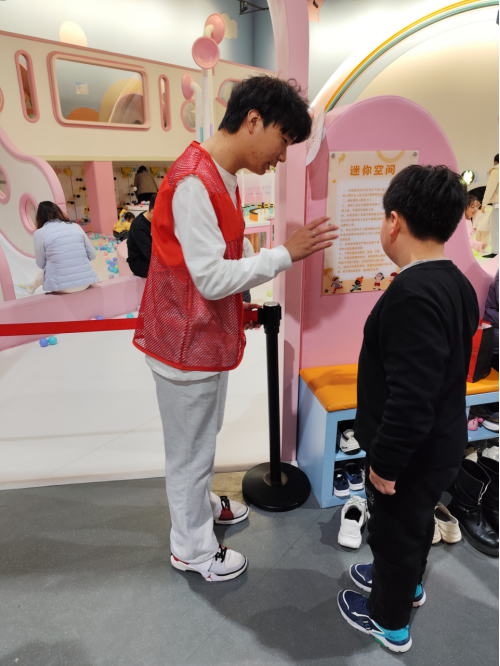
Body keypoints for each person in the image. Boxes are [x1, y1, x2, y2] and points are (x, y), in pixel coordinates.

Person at [133, 76, 338, 583]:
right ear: (253, 120)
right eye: (283, 141)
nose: (282, 157)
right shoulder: (194, 182)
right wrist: (284, 255)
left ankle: (200, 510)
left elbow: (221, 257)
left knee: (202, 440)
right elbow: (210, 277)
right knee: (189, 453)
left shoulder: (221, 175)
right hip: (183, 344)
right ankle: (192, 549)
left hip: (202, 339)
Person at [338, 165, 478, 653]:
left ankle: (388, 620)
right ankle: (408, 587)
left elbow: (411, 398)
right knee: (415, 525)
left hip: (411, 454)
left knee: (394, 534)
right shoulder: (456, 282)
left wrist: (385, 463)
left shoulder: (410, 294)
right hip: (442, 443)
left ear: (394, 221)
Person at [17, 201, 99, 295]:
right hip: (86, 282)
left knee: (50, 264)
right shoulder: (76, 226)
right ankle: (31, 286)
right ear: (58, 212)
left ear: (39, 216)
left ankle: (32, 286)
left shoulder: (39, 233)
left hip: (61, 287)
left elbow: (41, 264)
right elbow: (92, 255)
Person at [127, 194, 156, 278]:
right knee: (168, 272)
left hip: (151, 256)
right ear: (153, 212)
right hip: (139, 262)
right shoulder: (139, 225)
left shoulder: (154, 220)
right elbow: (149, 253)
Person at [481, 154, 499, 258]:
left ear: (496, 162)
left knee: (496, 228)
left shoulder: (496, 170)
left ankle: (496, 251)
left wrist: (484, 203)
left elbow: (490, 188)